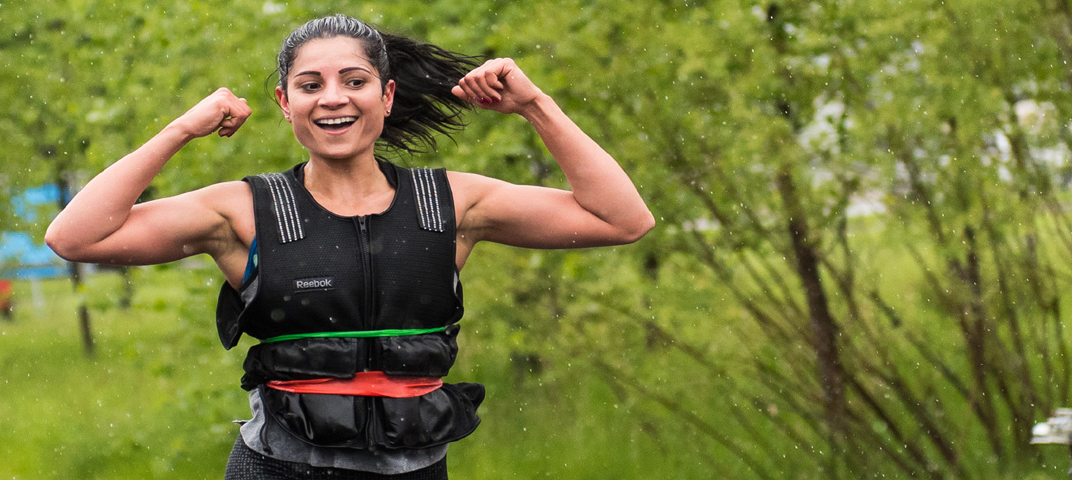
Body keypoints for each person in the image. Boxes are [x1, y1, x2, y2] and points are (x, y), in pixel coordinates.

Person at [44, 14, 653, 480]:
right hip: (279, 468)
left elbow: (623, 219)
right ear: (285, 104)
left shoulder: (453, 203)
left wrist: (535, 106)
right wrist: (181, 129)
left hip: (417, 468)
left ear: (385, 97)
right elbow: (74, 236)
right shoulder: (241, 211)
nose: (332, 98)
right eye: (309, 85)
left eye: (354, 81)